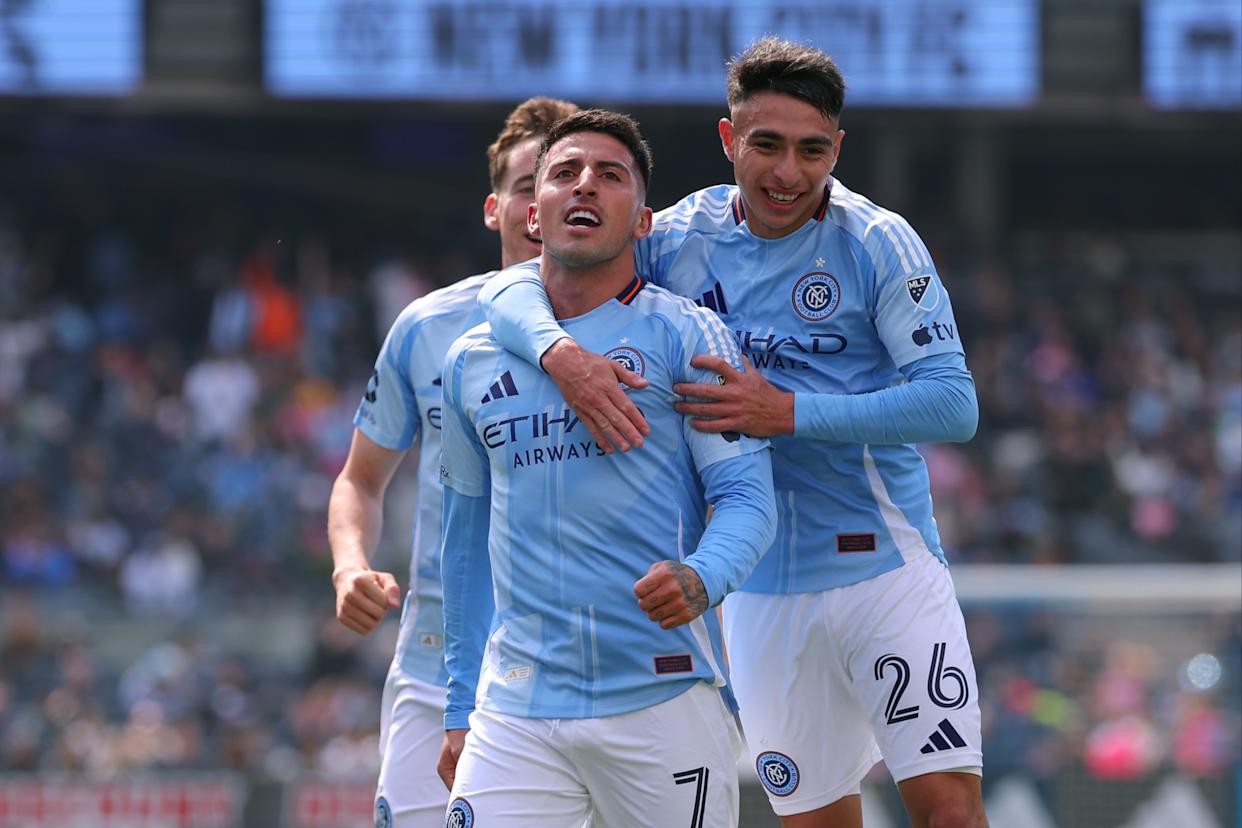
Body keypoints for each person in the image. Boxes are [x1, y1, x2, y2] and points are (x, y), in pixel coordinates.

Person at [477, 38, 988, 828]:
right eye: (768, 145)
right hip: (754, 592)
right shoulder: (679, 238)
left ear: (837, 150)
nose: (789, 172)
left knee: (948, 811)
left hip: (882, 566)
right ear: (728, 141)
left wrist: (783, 412)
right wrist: (563, 354)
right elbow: (526, 283)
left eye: (813, 150)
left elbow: (952, 405)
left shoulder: (878, 240)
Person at [436, 109, 777, 827]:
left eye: (610, 175)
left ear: (643, 221)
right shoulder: (469, 359)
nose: (584, 185)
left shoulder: (685, 332)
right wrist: (460, 703)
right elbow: (463, 543)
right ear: (534, 211)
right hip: (517, 708)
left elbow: (747, 497)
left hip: (662, 695)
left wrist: (703, 575)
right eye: (564, 173)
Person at [325, 96, 579, 828]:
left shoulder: (642, 326)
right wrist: (350, 564)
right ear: (494, 207)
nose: (544, 200)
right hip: (438, 651)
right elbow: (359, 479)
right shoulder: (427, 326)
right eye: (528, 184)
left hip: (579, 653)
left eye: (563, 179)